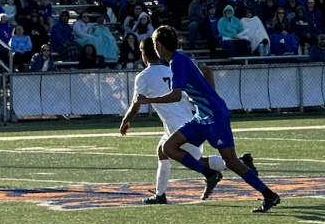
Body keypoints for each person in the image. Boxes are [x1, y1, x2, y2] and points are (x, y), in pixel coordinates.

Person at [135, 26, 281, 212]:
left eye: (155, 44)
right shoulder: (179, 60)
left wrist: (148, 100)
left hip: (214, 117)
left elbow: (176, 95)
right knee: (168, 147)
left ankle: (269, 195)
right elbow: (206, 71)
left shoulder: (177, 63)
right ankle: (210, 174)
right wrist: (205, 99)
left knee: (232, 162)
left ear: (159, 45)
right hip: (203, 116)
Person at [120, 38, 228, 204]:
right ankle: (160, 194)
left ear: (144, 56)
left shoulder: (143, 76)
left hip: (179, 124)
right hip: (189, 118)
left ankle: (232, 166)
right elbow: (202, 75)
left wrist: (126, 120)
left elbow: (137, 103)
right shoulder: (171, 69)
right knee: (163, 151)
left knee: (193, 159)